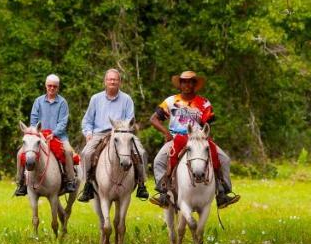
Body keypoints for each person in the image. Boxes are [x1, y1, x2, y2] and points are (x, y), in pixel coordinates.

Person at [149, 70, 239, 208]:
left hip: (198, 138)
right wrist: (166, 132)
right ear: (180, 84)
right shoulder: (171, 101)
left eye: (190, 81)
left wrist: (207, 138)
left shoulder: (204, 103)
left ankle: (222, 192)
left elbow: (207, 124)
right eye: (184, 81)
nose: (187, 84)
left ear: (194, 84)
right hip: (177, 137)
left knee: (224, 159)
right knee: (158, 161)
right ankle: (163, 192)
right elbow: (153, 119)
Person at [77, 68, 148, 202]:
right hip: (100, 133)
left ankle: (141, 184)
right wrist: (88, 133)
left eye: (115, 79)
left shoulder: (127, 99)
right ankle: (88, 186)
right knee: (86, 153)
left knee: (141, 152)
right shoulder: (95, 99)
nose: (112, 82)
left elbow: (130, 120)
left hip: (122, 133)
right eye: (110, 79)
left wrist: (124, 131)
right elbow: (87, 120)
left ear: (120, 82)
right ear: (105, 81)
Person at [14, 74, 78, 196]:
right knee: (20, 153)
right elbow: (33, 120)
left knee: (68, 151)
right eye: (49, 86)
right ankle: (21, 183)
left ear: (58, 87)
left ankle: (70, 180)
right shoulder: (38, 101)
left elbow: (63, 122)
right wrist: (37, 134)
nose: (52, 88)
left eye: (55, 86)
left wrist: (54, 134)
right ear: (46, 86)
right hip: (39, 136)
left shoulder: (62, 102)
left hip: (58, 136)